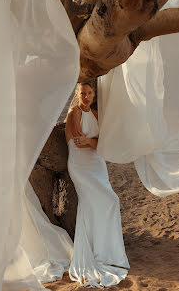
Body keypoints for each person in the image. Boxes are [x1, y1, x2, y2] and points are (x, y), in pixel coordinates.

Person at [65, 82, 130, 288]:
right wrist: (96, 141)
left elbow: (105, 142)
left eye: (90, 93)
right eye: (82, 93)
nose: (86, 96)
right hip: (81, 166)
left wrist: (93, 141)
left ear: (94, 94)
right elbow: (78, 141)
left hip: (97, 165)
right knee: (106, 201)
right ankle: (97, 252)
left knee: (105, 203)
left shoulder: (96, 114)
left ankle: (105, 251)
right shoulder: (74, 112)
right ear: (77, 95)